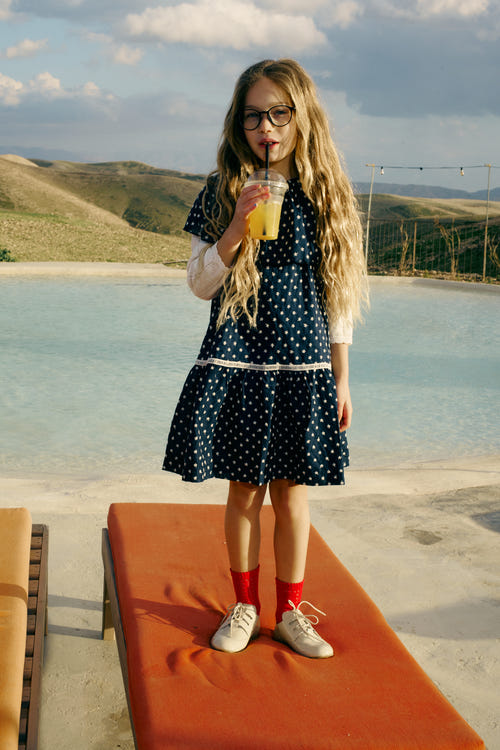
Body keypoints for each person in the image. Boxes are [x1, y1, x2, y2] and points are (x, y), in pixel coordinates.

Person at [163, 58, 367, 659]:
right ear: (239, 122)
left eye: (279, 113)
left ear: (302, 117)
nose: (266, 128)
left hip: (302, 364)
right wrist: (234, 229)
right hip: (238, 361)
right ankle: (245, 606)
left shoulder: (327, 194)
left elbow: (339, 297)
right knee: (244, 491)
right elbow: (200, 285)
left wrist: (341, 380)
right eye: (254, 116)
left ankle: (291, 614)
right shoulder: (220, 189)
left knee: (293, 495)